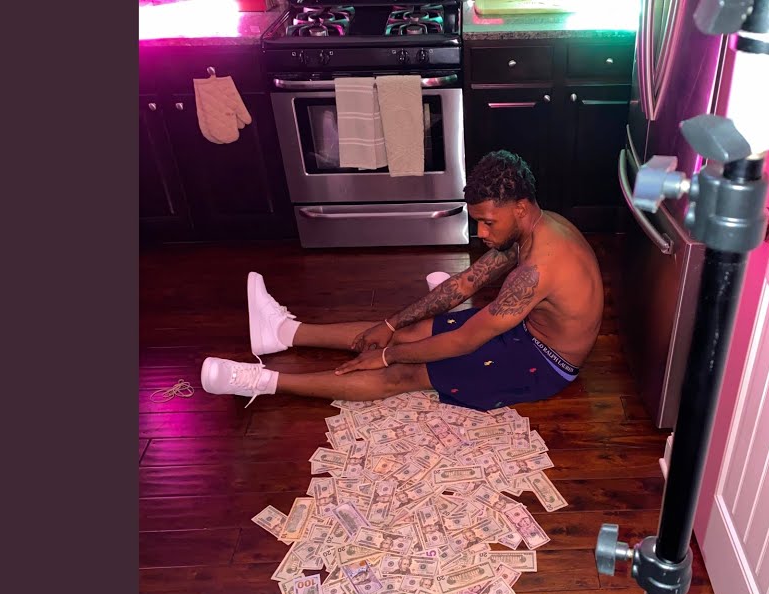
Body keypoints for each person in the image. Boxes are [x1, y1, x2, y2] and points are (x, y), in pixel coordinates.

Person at [200, 150, 604, 410]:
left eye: (487, 222)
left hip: (545, 361)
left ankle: (261, 382)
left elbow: (465, 341)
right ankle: (282, 333)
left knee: (405, 372)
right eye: (477, 221)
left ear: (519, 208)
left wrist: (388, 355)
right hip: (523, 329)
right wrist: (391, 325)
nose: (480, 232)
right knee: (409, 333)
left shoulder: (537, 269)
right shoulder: (532, 227)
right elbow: (465, 283)